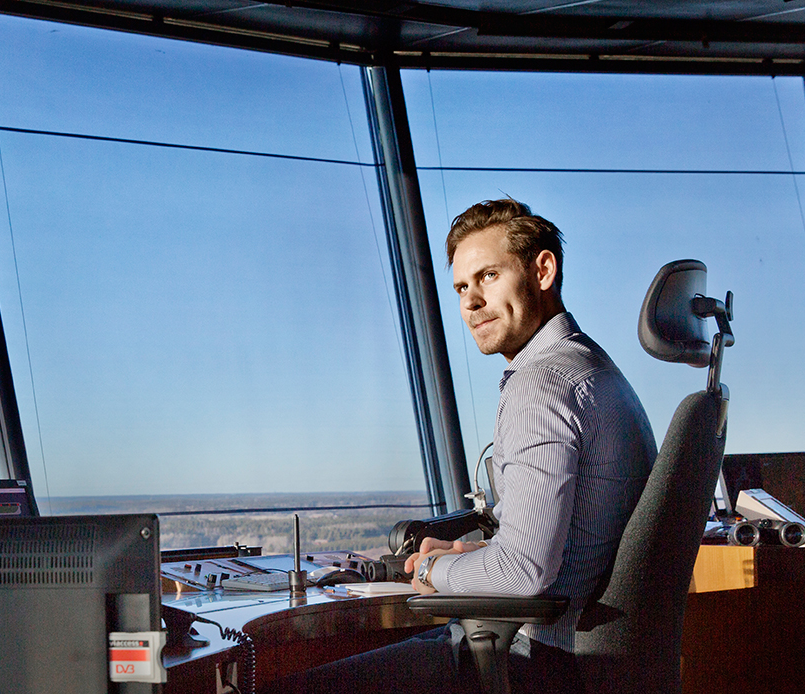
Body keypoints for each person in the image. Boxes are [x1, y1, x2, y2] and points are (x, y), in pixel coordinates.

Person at [268, 199, 656, 694]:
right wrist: (469, 552)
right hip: (588, 661)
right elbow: (568, 539)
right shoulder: (595, 370)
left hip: (535, 661)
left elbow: (523, 573)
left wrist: (435, 566)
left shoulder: (541, 383)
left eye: (489, 277)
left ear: (542, 270)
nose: (470, 303)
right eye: (461, 287)